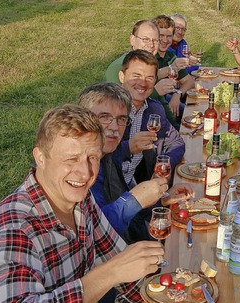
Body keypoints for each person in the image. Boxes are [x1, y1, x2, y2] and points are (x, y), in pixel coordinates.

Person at [0, 104, 163, 303]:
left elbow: (112, 252)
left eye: (92, 157)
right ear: (40, 157)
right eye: (71, 159)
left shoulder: (80, 199)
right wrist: (110, 273)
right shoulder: (13, 226)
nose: (85, 172)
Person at [79, 82, 194, 244]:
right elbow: (95, 231)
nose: (114, 127)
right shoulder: (78, 167)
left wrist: (162, 200)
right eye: (104, 117)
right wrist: (135, 199)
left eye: (121, 119)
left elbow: (125, 212)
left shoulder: (110, 154)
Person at [118, 49, 186, 241]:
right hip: (112, 198)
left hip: (140, 190)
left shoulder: (154, 109)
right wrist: (128, 147)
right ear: (122, 76)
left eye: (149, 77)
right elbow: (96, 153)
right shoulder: (110, 110)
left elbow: (177, 142)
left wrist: (162, 166)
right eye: (136, 76)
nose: (143, 83)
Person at [152, 15, 198, 127]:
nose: (165, 40)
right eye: (161, 36)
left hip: (166, 97)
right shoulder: (149, 55)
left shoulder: (170, 55)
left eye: (168, 36)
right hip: (152, 101)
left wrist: (177, 94)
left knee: (194, 115)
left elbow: (190, 82)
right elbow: (148, 78)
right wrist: (171, 68)